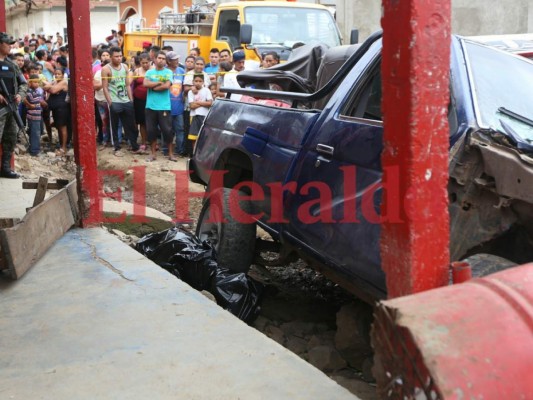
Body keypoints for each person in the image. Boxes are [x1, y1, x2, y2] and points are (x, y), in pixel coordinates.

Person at [101, 46, 140, 156]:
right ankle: (116, 148)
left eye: (120, 56)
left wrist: (131, 100)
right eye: (116, 56)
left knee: (130, 125)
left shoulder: (125, 67)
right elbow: (104, 87)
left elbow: (127, 85)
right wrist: (110, 103)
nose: (118, 58)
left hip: (126, 100)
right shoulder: (106, 69)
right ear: (111, 57)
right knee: (114, 125)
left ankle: (134, 146)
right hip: (114, 100)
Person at [0, 32, 28, 178]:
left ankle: (5, 168)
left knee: (10, 138)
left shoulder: (12, 65)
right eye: (7, 43)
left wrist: (19, 95)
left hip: (11, 106)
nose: (10, 46)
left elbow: (24, 83)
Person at [143, 51, 175, 162]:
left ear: (166, 61)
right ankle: (153, 154)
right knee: (151, 131)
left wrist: (153, 86)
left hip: (164, 106)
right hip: (150, 106)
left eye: (163, 58)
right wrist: (158, 84)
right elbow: (145, 84)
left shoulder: (168, 72)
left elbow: (166, 86)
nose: (161, 60)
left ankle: (171, 154)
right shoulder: (149, 72)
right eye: (159, 58)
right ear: (155, 59)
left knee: (167, 130)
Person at [44, 68, 69, 156]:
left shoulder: (64, 82)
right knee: (58, 127)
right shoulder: (55, 82)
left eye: (59, 74)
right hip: (55, 108)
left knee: (63, 127)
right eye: (56, 74)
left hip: (62, 108)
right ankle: (60, 145)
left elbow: (53, 90)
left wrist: (49, 86)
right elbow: (46, 86)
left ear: (62, 75)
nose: (57, 76)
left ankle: (64, 147)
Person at [165, 51, 186, 157]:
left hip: (179, 106)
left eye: (177, 59)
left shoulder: (182, 71)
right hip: (166, 106)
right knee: (166, 129)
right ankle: (165, 150)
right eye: (174, 59)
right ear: (168, 61)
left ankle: (179, 150)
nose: (177, 61)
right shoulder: (164, 71)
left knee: (180, 129)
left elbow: (185, 87)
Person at [132, 52, 150, 152]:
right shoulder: (137, 71)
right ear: (140, 62)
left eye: (147, 62)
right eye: (143, 63)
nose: (145, 64)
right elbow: (133, 85)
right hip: (138, 99)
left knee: (148, 122)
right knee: (139, 122)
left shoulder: (153, 71)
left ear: (150, 62)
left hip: (150, 99)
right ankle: (140, 142)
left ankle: (148, 142)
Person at [24, 74, 46, 156]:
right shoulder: (29, 91)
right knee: (35, 132)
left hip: (37, 114)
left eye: (38, 82)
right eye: (34, 82)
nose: (36, 84)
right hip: (33, 116)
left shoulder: (34, 91)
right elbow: (24, 99)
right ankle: (34, 151)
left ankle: (32, 146)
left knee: (36, 131)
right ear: (30, 82)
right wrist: (30, 105)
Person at [188, 74, 212, 146]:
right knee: (194, 137)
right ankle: (194, 154)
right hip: (194, 115)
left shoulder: (206, 90)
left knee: (204, 136)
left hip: (204, 115)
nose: (198, 82)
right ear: (193, 82)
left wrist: (197, 102)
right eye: (196, 81)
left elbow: (210, 103)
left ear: (203, 82)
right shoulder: (190, 92)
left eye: (200, 81)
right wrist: (204, 103)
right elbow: (192, 106)